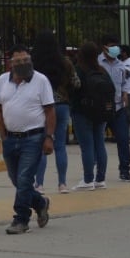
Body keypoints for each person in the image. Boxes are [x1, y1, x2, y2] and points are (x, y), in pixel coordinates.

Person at [0, 45, 56, 234]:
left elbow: (50, 111)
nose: (23, 64)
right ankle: (40, 202)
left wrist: (49, 137)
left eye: (26, 60)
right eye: (18, 61)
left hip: (33, 138)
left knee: (25, 178)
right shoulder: (3, 80)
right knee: (17, 180)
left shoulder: (41, 80)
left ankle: (21, 219)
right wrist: (3, 135)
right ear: (11, 63)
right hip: (10, 138)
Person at [31, 30, 74, 194]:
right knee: (60, 145)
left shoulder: (34, 63)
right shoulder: (65, 62)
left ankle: (39, 184)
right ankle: (62, 183)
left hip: (42, 107)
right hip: (62, 105)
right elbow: (76, 83)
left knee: (42, 144)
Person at [69, 41, 112, 190]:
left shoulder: (79, 70)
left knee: (87, 146)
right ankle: (100, 179)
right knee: (100, 143)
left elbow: (73, 87)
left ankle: (88, 180)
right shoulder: (102, 71)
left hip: (82, 111)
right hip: (100, 112)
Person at [100, 34, 130, 182]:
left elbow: (124, 82)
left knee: (123, 139)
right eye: (111, 45)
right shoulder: (97, 63)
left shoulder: (120, 64)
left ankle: (125, 170)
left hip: (118, 107)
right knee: (97, 141)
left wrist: (125, 93)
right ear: (104, 47)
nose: (115, 48)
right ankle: (96, 172)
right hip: (101, 109)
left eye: (116, 45)